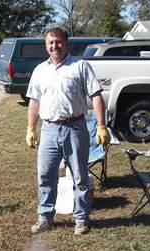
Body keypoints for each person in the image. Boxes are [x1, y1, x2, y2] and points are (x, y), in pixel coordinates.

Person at [25, 27, 110, 235]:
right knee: (45, 176)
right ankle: (45, 218)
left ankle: (81, 219)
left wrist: (101, 125)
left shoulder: (80, 66)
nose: (55, 46)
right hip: (49, 130)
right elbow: (34, 101)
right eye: (51, 42)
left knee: (80, 177)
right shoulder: (39, 70)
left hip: (75, 127)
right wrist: (30, 128)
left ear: (66, 43)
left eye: (58, 41)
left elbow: (96, 96)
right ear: (46, 45)